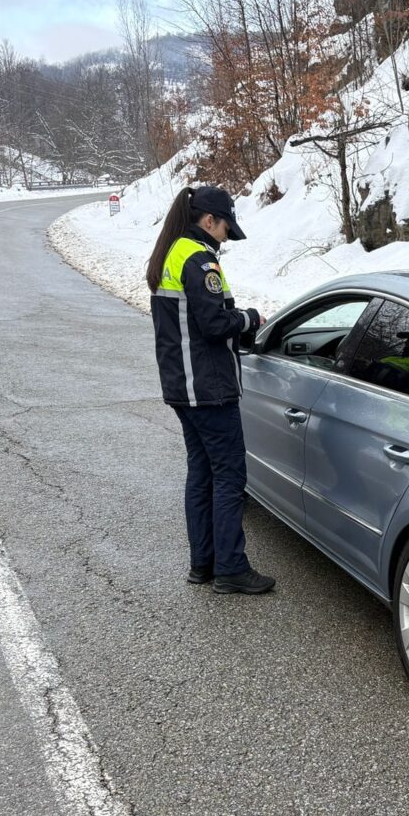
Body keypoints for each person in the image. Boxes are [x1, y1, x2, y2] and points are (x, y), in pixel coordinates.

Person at [146, 184, 275, 595]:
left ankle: (203, 563)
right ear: (208, 220)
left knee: (201, 474)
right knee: (229, 477)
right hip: (208, 388)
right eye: (225, 228)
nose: (226, 236)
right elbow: (214, 324)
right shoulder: (200, 260)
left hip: (183, 385)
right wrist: (249, 319)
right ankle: (231, 568)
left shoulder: (172, 252)